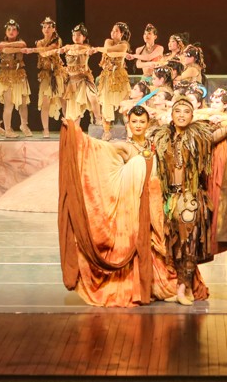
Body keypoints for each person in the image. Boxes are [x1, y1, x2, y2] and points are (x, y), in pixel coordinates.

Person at [150, 91, 227, 304]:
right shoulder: (161, 138)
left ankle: (182, 288)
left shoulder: (200, 137)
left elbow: (224, 131)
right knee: (173, 247)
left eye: (186, 111)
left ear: (192, 115)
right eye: (178, 111)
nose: (182, 114)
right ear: (172, 114)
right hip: (168, 198)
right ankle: (182, 287)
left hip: (190, 198)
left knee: (188, 243)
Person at [57, 105, 157, 307]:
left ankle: (152, 286)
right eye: (134, 122)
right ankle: (134, 287)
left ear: (148, 124)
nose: (138, 125)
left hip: (154, 202)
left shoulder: (156, 145)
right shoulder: (123, 146)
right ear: (128, 124)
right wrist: (74, 131)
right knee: (134, 241)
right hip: (133, 203)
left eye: (142, 122)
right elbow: (94, 148)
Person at [28, 17, 65, 138]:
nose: (46, 29)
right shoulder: (39, 42)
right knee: (45, 102)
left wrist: (35, 50)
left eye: (49, 27)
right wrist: (38, 49)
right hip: (46, 74)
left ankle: (68, 127)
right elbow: (42, 53)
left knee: (63, 99)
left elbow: (50, 49)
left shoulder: (57, 41)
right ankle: (45, 129)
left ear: (54, 29)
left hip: (57, 73)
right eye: (44, 27)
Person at [0, 19, 31, 137]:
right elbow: (4, 49)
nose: (11, 31)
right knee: (8, 104)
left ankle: (24, 125)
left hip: (19, 75)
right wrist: (14, 48)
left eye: (14, 29)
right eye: (9, 29)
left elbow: (22, 45)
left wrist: (11, 47)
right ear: (5, 32)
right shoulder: (1, 43)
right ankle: (8, 129)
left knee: (23, 103)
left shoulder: (21, 42)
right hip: (6, 76)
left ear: (17, 32)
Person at [60, 23, 102, 125]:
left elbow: (85, 50)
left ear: (84, 37)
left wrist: (91, 51)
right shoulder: (68, 47)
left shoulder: (86, 47)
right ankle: (73, 129)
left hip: (84, 79)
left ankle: (98, 118)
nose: (76, 37)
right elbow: (57, 50)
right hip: (72, 82)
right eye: (74, 35)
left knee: (93, 97)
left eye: (79, 35)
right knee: (72, 109)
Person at [97, 22, 132, 141]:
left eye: (116, 31)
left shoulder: (124, 45)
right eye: (112, 30)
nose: (113, 32)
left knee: (124, 104)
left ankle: (129, 131)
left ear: (121, 34)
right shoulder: (108, 41)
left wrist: (100, 49)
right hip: (107, 77)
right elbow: (108, 50)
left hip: (119, 77)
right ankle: (107, 132)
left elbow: (110, 50)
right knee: (106, 104)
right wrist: (105, 49)